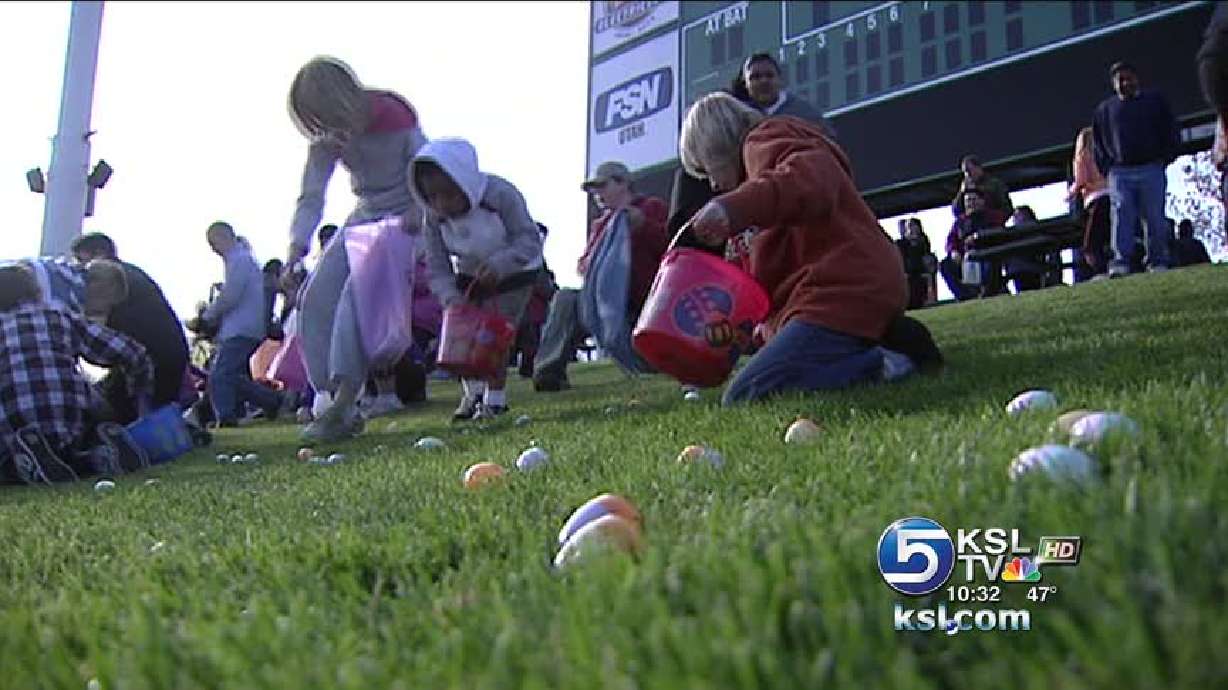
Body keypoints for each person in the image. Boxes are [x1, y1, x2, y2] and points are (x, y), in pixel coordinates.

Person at [678, 92, 942, 405]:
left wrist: (731, 208)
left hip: (842, 287)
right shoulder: (747, 212)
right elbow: (761, 295)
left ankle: (892, 362)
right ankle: (884, 340)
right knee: (756, 379)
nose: (712, 185)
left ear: (720, 147)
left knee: (749, 394)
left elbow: (814, 180)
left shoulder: (766, 139)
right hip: (821, 299)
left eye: (709, 169)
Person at [283, 56, 429, 442]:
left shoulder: (394, 112)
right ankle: (328, 398)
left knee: (355, 296)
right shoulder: (328, 139)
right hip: (364, 214)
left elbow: (425, 162)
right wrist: (296, 246)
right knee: (315, 298)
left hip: (406, 214)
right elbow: (311, 195)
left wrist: (420, 206)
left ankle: (348, 397)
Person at [410, 136, 544, 421]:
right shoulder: (433, 218)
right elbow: (437, 264)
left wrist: (501, 264)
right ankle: (472, 394)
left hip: (516, 271)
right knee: (462, 336)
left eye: (448, 193)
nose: (441, 203)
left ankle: (495, 399)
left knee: (496, 334)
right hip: (470, 273)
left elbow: (528, 239)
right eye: (432, 196)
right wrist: (450, 298)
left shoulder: (500, 195)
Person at [0, 263, 154, 485]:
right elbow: (131, 352)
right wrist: (139, 397)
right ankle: (99, 455)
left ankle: (26, 457)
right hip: (70, 416)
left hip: (15, 424)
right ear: (35, 291)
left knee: (6, 470)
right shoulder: (61, 317)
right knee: (80, 426)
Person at [532, 161, 668, 392]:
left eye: (602, 186)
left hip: (645, 305)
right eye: (594, 189)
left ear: (623, 183)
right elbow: (584, 266)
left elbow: (669, 246)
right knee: (566, 298)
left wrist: (642, 225)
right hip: (605, 306)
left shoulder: (652, 208)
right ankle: (548, 371)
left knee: (649, 362)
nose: (597, 194)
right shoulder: (600, 225)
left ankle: (647, 361)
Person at [192, 222, 295, 428]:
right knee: (231, 376)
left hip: (241, 329)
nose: (213, 249)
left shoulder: (239, 260)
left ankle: (226, 418)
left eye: (213, 243)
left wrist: (207, 316)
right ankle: (274, 400)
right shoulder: (242, 259)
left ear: (223, 237)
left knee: (220, 375)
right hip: (247, 328)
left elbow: (231, 295)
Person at [1092, 61, 1179, 276]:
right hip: (1120, 172)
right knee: (1122, 216)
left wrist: (1165, 158)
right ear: (1113, 84)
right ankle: (1121, 262)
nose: (1124, 83)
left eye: (1127, 78)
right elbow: (1098, 143)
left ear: (1136, 79)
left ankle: (1157, 260)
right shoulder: (1105, 110)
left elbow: (1170, 129)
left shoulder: (1154, 101)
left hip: (1151, 167)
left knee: (1154, 217)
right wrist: (1109, 169)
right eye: (1119, 80)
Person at [739, 53, 837, 140]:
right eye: (755, 77)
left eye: (769, 75)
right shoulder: (741, 119)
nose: (764, 81)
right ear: (745, 84)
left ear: (780, 79)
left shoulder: (805, 113)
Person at [940, 187, 1011, 300]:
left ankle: (988, 292)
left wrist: (979, 238)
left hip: (988, 252)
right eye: (968, 201)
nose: (971, 203)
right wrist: (953, 251)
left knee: (990, 261)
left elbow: (999, 233)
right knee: (945, 265)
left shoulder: (992, 216)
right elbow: (951, 240)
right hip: (965, 258)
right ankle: (965, 296)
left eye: (974, 199)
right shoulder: (960, 222)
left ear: (982, 201)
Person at [1065, 127, 1112, 280]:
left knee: (1090, 245)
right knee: (1110, 237)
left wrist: (1070, 193)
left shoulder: (1083, 156)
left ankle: (1101, 272)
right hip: (1112, 196)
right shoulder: (1107, 153)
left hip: (1095, 199)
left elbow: (1081, 180)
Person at [895, 218, 937, 310]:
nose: (912, 229)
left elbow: (927, 258)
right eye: (909, 226)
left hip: (921, 272)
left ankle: (929, 300)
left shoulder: (923, 241)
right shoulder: (900, 244)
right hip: (907, 273)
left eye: (914, 226)